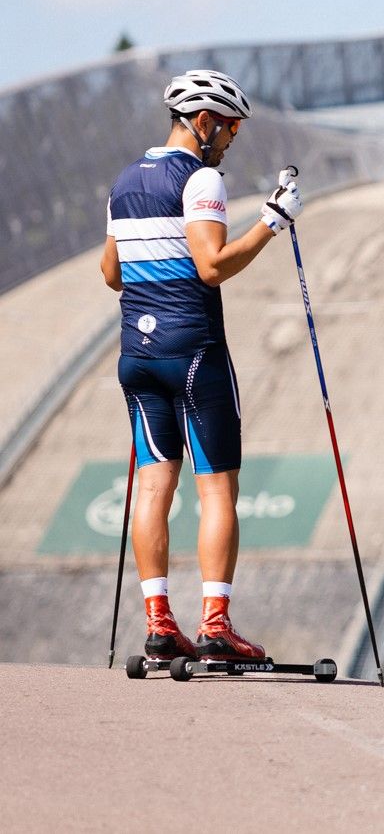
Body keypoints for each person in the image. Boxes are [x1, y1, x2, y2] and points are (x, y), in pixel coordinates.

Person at [100, 69, 303, 663]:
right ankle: (216, 625)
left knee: (153, 484)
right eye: (231, 129)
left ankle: (159, 623)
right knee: (217, 490)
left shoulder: (123, 180)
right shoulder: (200, 179)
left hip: (136, 356)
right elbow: (212, 266)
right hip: (193, 351)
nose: (231, 140)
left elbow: (112, 273)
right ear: (204, 121)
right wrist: (272, 222)